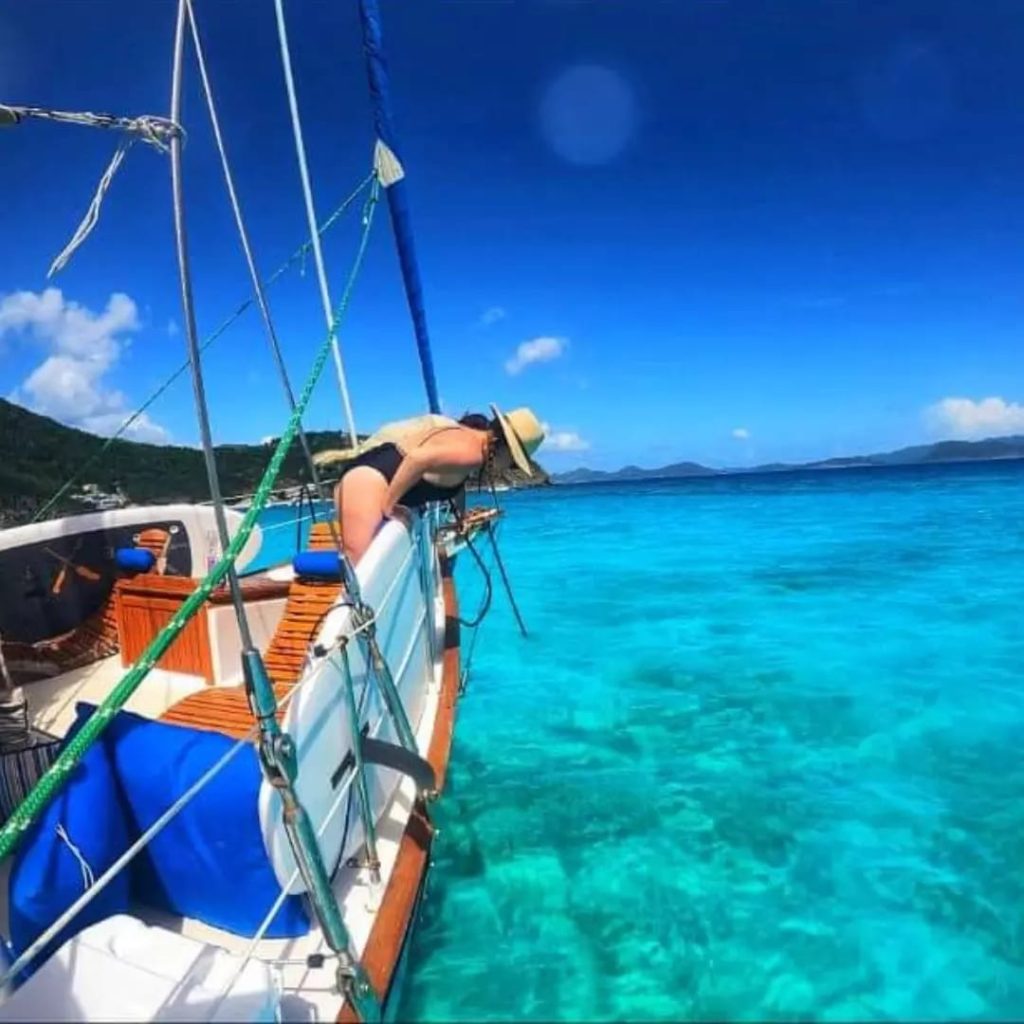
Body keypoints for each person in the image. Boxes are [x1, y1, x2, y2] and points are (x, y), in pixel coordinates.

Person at [327, 406, 544, 564]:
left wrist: (460, 516)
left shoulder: (470, 441)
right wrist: (389, 506)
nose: (508, 467)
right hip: (367, 482)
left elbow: (453, 482)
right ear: (504, 447)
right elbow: (418, 459)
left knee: (366, 573)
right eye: (513, 462)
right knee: (361, 568)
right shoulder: (471, 451)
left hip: (371, 477)